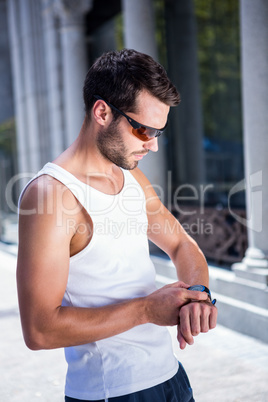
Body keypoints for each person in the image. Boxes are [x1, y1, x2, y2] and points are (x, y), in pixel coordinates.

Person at [17, 48, 217, 402]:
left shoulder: (128, 176)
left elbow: (182, 244)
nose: (153, 146)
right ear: (102, 112)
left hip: (171, 377)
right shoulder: (51, 196)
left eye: (159, 133)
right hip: (114, 393)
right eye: (143, 130)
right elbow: (39, 330)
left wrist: (198, 295)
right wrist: (146, 310)